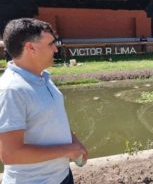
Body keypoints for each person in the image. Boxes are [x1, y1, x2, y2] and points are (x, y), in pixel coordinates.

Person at [0, 18, 88, 184]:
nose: (55, 49)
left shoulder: (43, 78)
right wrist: (67, 150)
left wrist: (73, 141)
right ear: (30, 47)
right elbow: (10, 154)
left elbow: (52, 118)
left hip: (61, 176)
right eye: (51, 44)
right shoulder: (11, 89)